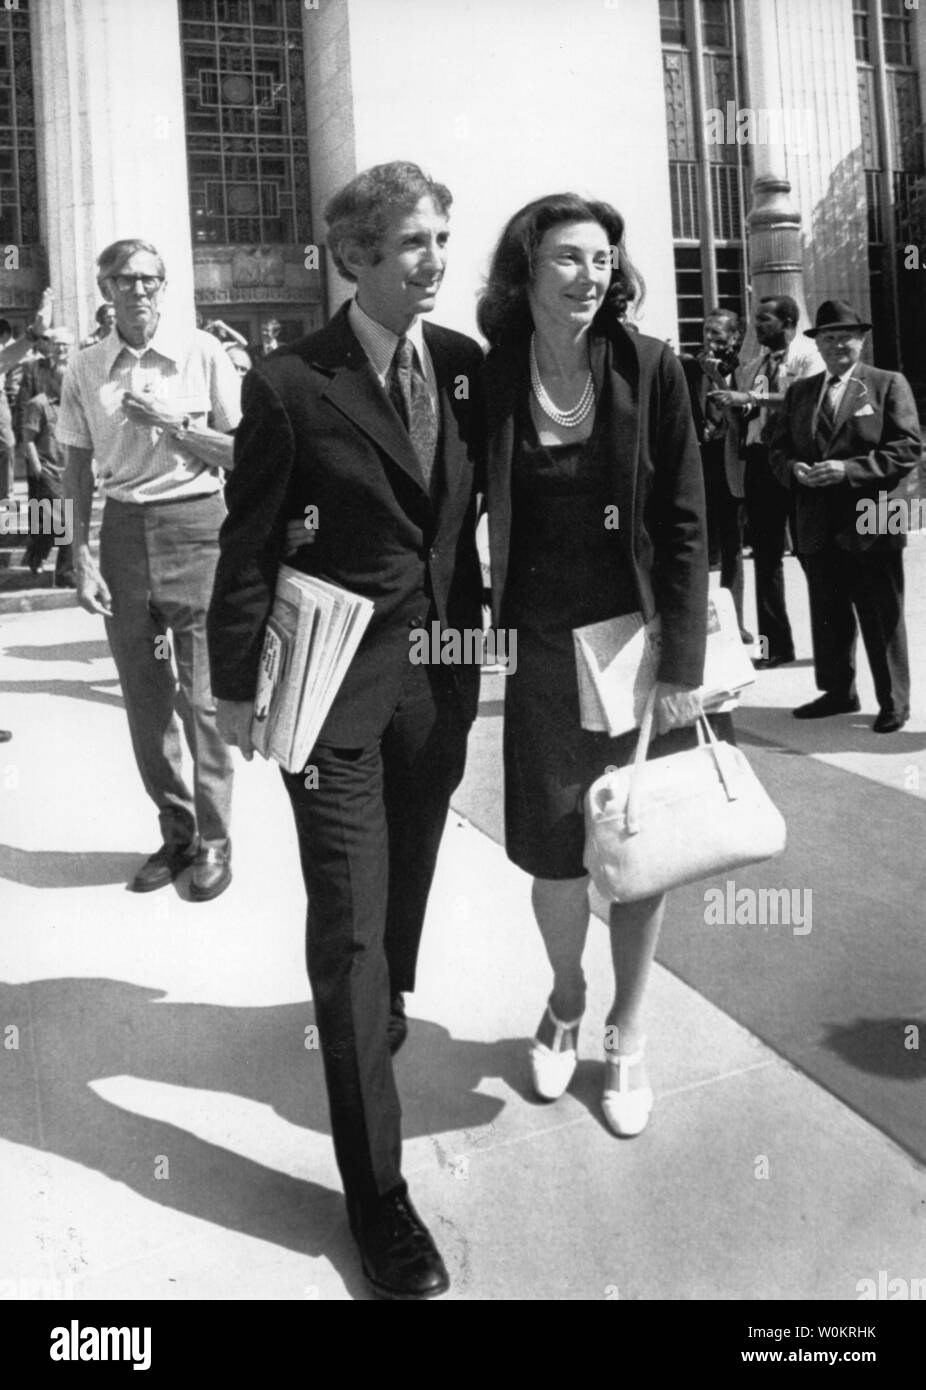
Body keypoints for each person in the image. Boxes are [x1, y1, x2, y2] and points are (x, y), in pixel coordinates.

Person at [207, 162, 484, 1300]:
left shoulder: (463, 367)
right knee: (350, 932)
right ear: (353, 257)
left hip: (442, 683)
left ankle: (384, 1010)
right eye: (413, 242)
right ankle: (379, 1202)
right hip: (329, 702)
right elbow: (249, 547)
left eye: (441, 237)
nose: (434, 259)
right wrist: (234, 691)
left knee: (402, 894)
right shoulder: (288, 385)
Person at [479, 193, 713, 1140]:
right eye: (569, 258)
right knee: (552, 852)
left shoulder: (651, 368)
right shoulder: (489, 376)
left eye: (604, 259)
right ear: (527, 271)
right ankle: (567, 997)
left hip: (636, 646)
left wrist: (684, 659)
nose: (590, 276)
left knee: (638, 850)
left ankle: (627, 1030)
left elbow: (690, 518)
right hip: (540, 650)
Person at [58, 238, 241, 900]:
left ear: (165, 286)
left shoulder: (203, 353)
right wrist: (80, 554)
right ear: (105, 290)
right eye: (125, 280)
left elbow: (242, 452)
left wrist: (175, 424)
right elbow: (77, 469)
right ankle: (179, 833)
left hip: (198, 527)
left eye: (150, 279)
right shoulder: (84, 369)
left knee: (205, 700)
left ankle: (217, 841)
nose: (139, 290)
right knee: (145, 701)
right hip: (125, 533)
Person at [769, 299, 921, 733]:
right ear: (817, 344)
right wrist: (795, 471)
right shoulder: (800, 392)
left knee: (882, 613)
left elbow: (908, 447)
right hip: (816, 519)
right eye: (828, 338)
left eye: (845, 337)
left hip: (873, 518)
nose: (837, 345)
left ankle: (894, 701)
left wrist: (849, 470)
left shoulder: (888, 383)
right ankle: (838, 692)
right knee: (828, 612)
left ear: (862, 340)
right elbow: (778, 450)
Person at [712, 296, 823, 668]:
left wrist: (749, 395)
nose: (757, 327)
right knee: (766, 558)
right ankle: (773, 645)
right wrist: (729, 391)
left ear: (787, 320)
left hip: (797, 461)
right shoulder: (758, 365)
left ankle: (832, 641)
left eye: (765, 320)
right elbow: (751, 406)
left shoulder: (809, 356)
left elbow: (802, 400)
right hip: (761, 462)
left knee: (812, 555)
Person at [681, 308, 752, 642]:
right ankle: (696, 624)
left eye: (718, 334)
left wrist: (722, 379)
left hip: (730, 470)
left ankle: (733, 624)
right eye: (707, 332)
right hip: (697, 469)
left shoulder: (747, 369)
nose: (710, 339)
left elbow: (748, 411)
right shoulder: (689, 368)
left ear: (735, 337)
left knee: (732, 549)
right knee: (695, 548)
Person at [21, 327, 75, 586]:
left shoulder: (73, 408)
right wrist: (37, 469)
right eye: (61, 382)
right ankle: (65, 573)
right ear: (52, 381)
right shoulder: (38, 403)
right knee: (66, 522)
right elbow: (28, 440)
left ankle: (35, 552)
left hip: (68, 471)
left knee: (53, 525)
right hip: (47, 471)